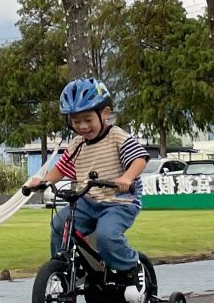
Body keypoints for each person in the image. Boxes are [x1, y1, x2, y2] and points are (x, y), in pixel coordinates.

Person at [24, 77, 150, 278]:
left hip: (119, 201)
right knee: (59, 225)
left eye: (88, 120)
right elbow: (61, 168)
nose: (82, 126)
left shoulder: (116, 136)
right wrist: (44, 182)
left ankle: (133, 267)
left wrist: (127, 178)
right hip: (88, 201)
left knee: (106, 237)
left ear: (105, 114)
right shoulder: (77, 144)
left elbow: (139, 159)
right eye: (76, 121)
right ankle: (64, 272)